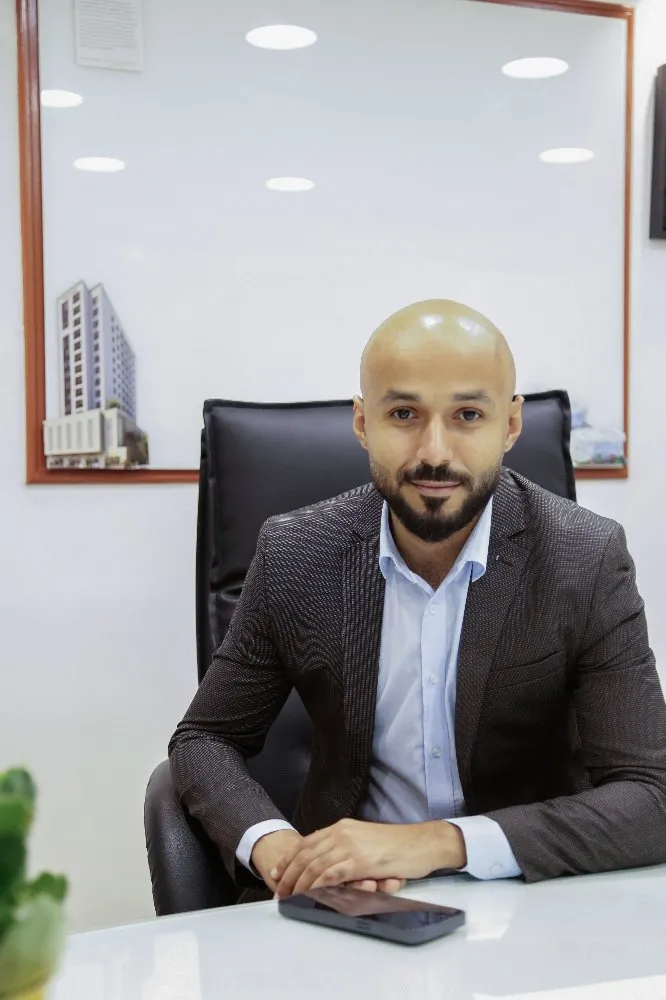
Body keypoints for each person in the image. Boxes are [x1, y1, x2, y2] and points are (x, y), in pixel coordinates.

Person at [169, 299, 666, 900]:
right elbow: (203, 740)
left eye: (467, 414)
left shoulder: (584, 558)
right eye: (404, 413)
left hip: (527, 896)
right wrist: (280, 850)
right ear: (362, 422)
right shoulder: (296, 554)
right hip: (349, 898)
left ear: (510, 426)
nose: (434, 451)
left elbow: (650, 794)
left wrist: (438, 842)